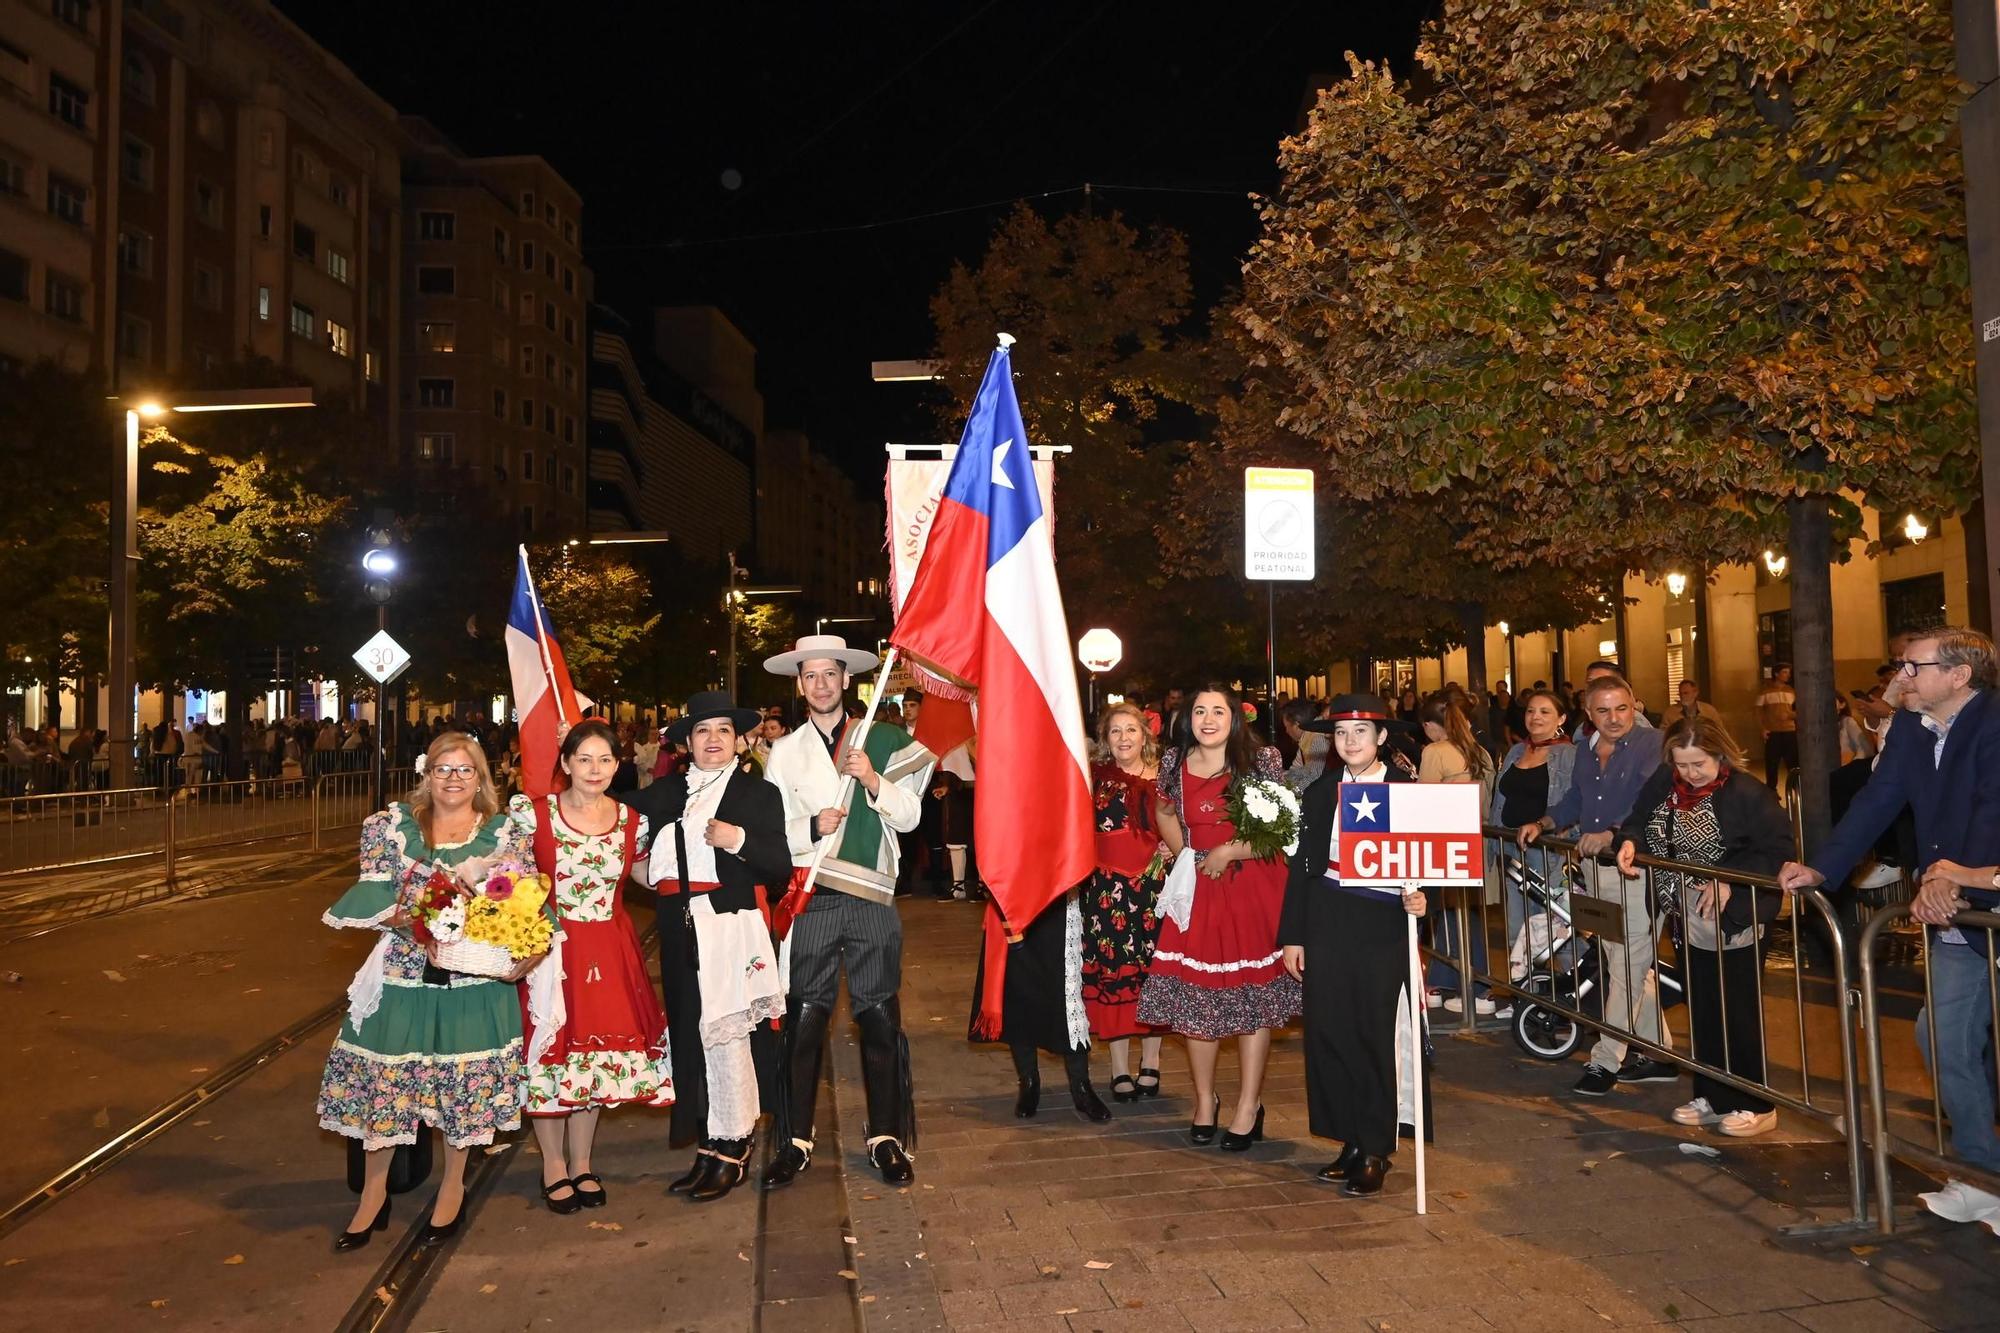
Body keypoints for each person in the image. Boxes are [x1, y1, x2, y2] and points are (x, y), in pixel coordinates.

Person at [1779, 628, 2000, 1226]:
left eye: (1913, 666)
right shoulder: (1907, 728)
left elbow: (1992, 807)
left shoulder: (1994, 723)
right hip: (1956, 913)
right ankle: (1983, 1175)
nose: (1899, 677)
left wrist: (1956, 879)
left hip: (1980, 894)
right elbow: (1876, 804)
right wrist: (1822, 868)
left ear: (1959, 676)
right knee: (1944, 1038)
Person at [316, 733, 547, 1250]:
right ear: (426, 773)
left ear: (481, 779)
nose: (453, 779)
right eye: (443, 769)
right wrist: (414, 920)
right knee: (387, 1079)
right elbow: (374, 890)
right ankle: (372, 1195)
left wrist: (525, 945)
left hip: (472, 976)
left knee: (459, 1082)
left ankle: (451, 1186)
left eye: (465, 770)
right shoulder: (388, 828)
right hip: (403, 970)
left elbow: (524, 900)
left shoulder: (504, 833)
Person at [758, 636, 935, 1190]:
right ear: (799, 684)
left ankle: (886, 1136)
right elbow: (770, 835)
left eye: (829, 674)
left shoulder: (879, 740)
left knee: (879, 1018)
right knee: (806, 1021)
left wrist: (871, 779)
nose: (820, 684)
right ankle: (794, 1139)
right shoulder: (783, 752)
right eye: (810, 676)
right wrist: (811, 828)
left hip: (873, 898)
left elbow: (908, 819)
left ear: (845, 678)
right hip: (812, 894)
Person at [623, 692, 793, 1204]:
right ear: (686, 743)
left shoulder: (757, 795)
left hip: (730, 922)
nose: (713, 739)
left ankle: (734, 1145)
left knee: (728, 1033)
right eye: (702, 731)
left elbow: (779, 867)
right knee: (690, 1031)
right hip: (678, 925)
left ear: (740, 741)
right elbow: (610, 825)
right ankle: (709, 1140)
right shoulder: (664, 792)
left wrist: (738, 839)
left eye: (722, 730)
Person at [1136, 684, 1301, 1151]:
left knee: (1252, 1001)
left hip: (1253, 884)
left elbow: (1283, 827)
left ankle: (1249, 1105)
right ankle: (1205, 1100)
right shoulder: (1174, 763)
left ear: (1234, 718)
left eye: (1218, 711)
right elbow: (1164, 810)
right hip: (1199, 889)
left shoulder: (1261, 759)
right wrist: (1185, 852)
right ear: (1188, 718)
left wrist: (1230, 849)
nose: (1209, 719)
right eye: (1200, 710)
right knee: (1195, 1000)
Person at [1279, 694, 1430, 1195]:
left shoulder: (1408, 791)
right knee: (1330, 1032)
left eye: (1361, 733)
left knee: (1372, 1034)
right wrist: (1294, 936)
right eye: (1341, 734)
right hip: (1327, 919)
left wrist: (1422, 897)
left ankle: (1375, 1147)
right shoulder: (1320, 794)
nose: (1350, 742)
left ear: (1382, 738)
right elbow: (1301, 869)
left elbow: (1434, 857)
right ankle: (1347, 1137)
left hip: (1382, 923)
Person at [522, 720, 674, 1214]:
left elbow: (645, 873)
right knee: (553, 1057)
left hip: (610, 948)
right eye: (583, 759)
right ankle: (553, 1166)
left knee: (592, 1062)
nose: (595, 769)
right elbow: (504, 881)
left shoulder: (632, 820)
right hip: (550, 951)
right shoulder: (533, 816)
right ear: (565, 764)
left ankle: (583, 1162)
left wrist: (706, 870)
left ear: (617, 765)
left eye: (605, 760)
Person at [1614, 716, 1791, 1137]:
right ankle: (1713, 1094)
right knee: (1704, 1005)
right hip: (1686, 913)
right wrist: (1630, 841)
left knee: (1738, 1009)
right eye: (1683, 765)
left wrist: (1729, 877)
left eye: (1699, 765)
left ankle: (1756, 1101)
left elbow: (1779, 851)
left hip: (1734, 916)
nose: (1690, 774)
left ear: (1720, 755)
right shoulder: (1666, 782)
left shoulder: (1749, 793)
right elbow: (1638, 817)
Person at [1522, 673, 1674, 1096]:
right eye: (1603, 710)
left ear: (1635, 705)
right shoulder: (1585, 751)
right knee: (1624, 963)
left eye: (1622, 708)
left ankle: (1606, 1061)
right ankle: (1658, 1052)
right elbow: (1576, 798)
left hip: (1636, 867)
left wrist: (1613, 832)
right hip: (1596, 869)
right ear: (1589, 714)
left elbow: (1651, 799)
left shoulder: (1652, 744)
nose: (1614, 718)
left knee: (1628, 966)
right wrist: (1545, 821)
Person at [1079, 702, 1167, 1101]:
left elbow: (1184, 824)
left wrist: (1171, 847)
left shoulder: (1165, 776)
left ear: (1144, 734)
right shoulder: (1094, 777)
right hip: (1107, 892)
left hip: (1155, 889)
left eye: (1130, 729)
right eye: (1115, 731)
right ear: (1105, 739)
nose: (1124, 738)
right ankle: (1119, 1068)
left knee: (1153, 973)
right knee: (1115, 973)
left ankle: (1152, 1062)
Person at [1418, 694, 1497, 1015]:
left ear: (1428, 726)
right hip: (1476, 840)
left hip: (1444, 842)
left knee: (1445, 911)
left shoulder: (1434, 752)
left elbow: (1423, 800)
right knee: (1463, 913)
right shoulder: (1480, 752)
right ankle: (1453, 981)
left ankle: (1469, 985)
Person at [1491, 688, 1576, 980]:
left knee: (1555, 929)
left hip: (1548, 852)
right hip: (1512, 847)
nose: (1535, 717)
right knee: (1518, 927)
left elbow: (1576, 803)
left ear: (1561, 718)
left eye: (1544, 712)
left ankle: (1573, 998)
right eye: (1530, 711)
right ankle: (1525, 998)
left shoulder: (1569, 754)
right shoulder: (1516, 751)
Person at [1757, 664, 1798, 795]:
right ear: (1776, 674)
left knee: (1793, 763)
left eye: (1788, 672)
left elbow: (1798, 711)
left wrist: (1791, 715)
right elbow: (1757, 712)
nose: (1788, 675)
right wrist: (1762, 728)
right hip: (1773, 732)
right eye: (1785, 672)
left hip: (1790, 731)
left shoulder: (1791, 691)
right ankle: (1771, 792)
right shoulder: (1765, 691)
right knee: (1772, 764)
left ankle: (1796, 790)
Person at [1280, 698, 1329, 794]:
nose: (1286, 731)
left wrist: (1290, 793)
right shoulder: (1306, 738)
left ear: (1297, 725)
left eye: (1287, 727)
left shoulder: (1317, 737)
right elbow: (1298, 769)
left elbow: (1314, 777)